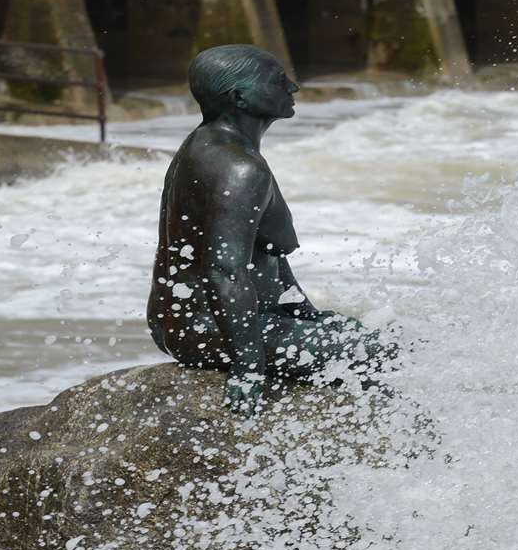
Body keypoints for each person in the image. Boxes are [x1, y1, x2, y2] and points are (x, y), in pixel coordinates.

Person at [147, 45, 391, 405]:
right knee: (384, 353)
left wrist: (305, 314)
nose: (292, 87)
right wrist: (249, 367)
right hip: (207, 329)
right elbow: (225, 272)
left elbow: (267, 252)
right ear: (240, 97)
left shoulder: (203, 145)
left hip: (184, 322)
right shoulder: (240, 169)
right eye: (277, 81)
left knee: (362, 332)